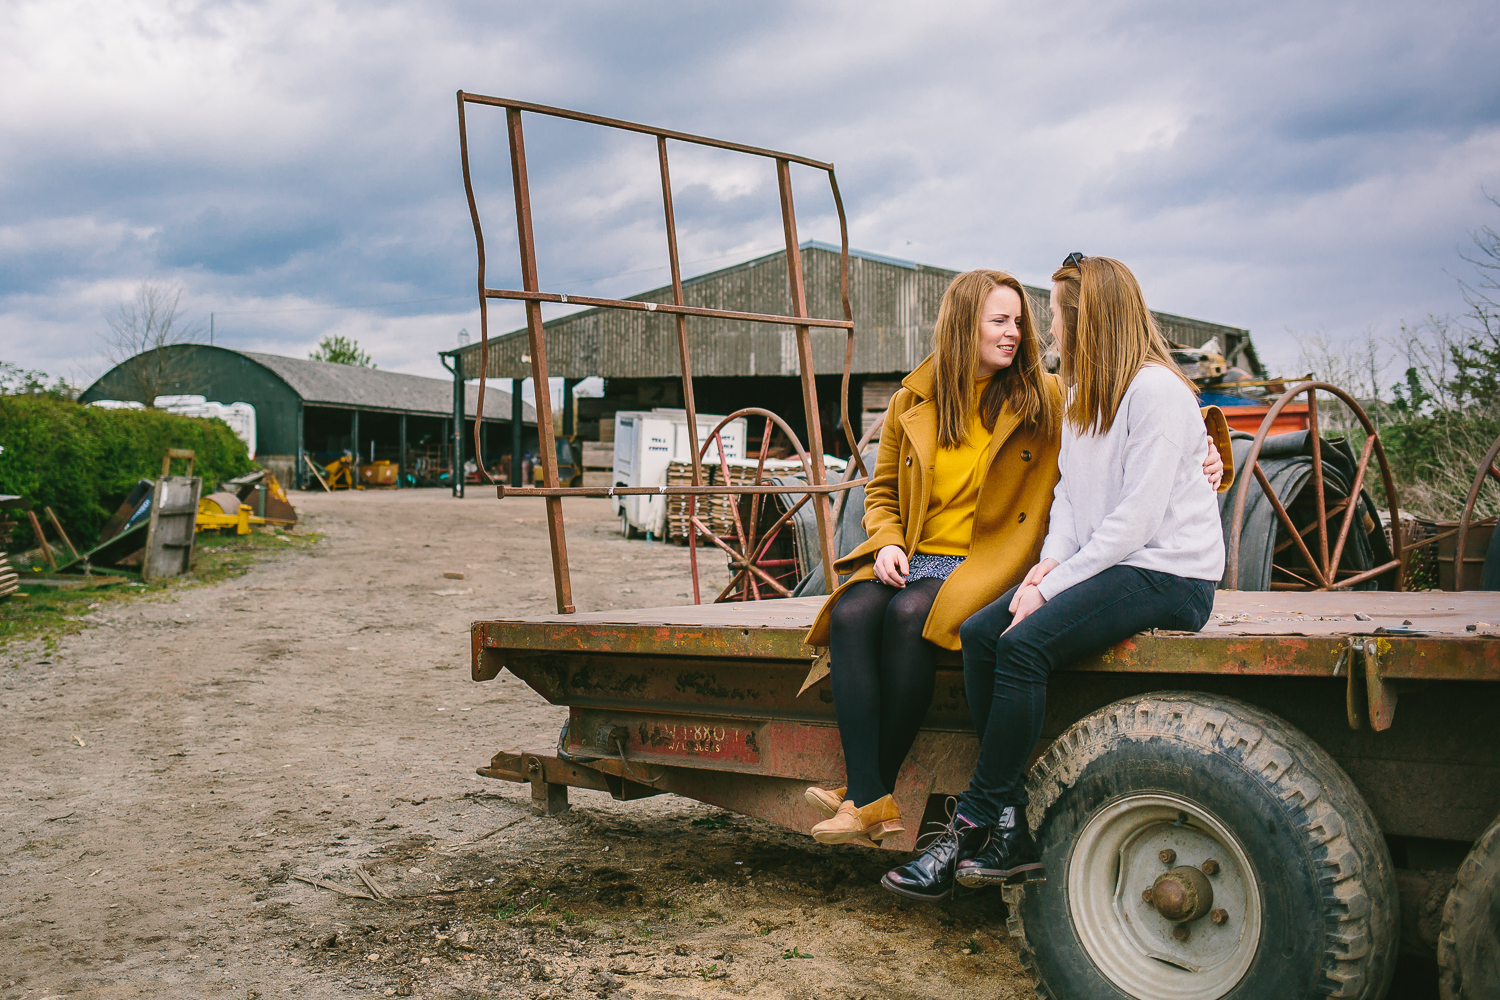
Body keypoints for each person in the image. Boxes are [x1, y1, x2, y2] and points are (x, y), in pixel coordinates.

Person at [801, 267, 1224, 851]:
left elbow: (1162, 420)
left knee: (910, 619)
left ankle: (895, 799)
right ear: (961, 328)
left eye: (1024, 321)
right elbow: (881, 494)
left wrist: (1213, 455)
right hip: (916, 554)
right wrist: (889, 540)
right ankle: (870, 793)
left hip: (985, 560)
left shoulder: (1041, 394)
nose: (1019, 334)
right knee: (850, 614)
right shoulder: (911, 401)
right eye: (1000, 321)